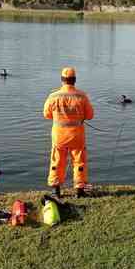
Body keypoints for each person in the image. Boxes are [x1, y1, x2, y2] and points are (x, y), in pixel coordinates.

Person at [43, 67, 95, 198]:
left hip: (59, 136)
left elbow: (46, 114)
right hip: (77, 136)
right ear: (75, 80)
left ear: (62, 80)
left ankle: (56, 191)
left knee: (57, 161)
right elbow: (90, 115)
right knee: (79, 162)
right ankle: (79, 191)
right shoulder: (82, 96)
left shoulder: (53, 96)